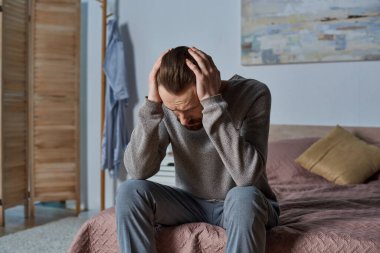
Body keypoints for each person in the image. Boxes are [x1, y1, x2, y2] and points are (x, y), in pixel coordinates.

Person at [116, 46, 279, 253]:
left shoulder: (253, 94)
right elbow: (138, 170)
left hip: (242, 204)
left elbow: (247, 176)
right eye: (175, 111)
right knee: (129, 191)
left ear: (212, 84)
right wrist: (152, 108)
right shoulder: (168, 105)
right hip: (190, 203)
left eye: (190, 109)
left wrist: (212, 106)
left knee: (244, 197)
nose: (182, 120)